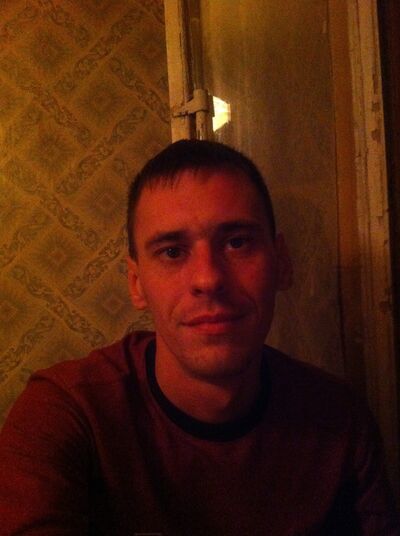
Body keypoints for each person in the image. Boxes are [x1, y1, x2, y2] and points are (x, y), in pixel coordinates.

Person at [0, 140, 398, 535]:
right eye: (172, 252)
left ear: (281, 263)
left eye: (237, 242)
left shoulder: (341, 422)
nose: (208, 279)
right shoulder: (67, 415)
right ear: (136, 283)